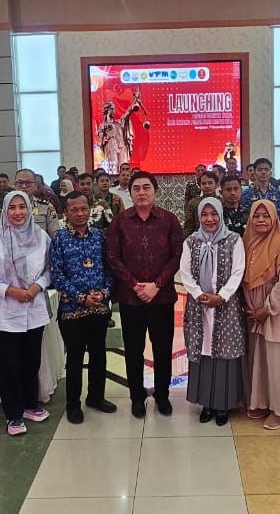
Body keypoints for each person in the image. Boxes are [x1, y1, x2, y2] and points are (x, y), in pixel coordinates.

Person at [107, 171, 184, 418]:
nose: (141, 192)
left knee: (162, 349)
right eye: (136, 188)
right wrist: (136, 285)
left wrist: (156, 285)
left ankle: (162, 395)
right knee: (133, 350)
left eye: (146, 188)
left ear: (155, 191)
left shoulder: (169, 220)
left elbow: (177, 256)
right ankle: (137, 397)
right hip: (131, 300)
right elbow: (113, 257)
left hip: (161, 298)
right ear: (130, 193)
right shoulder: (120, 221)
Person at [0, 191, 54, 436]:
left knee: (31, 362)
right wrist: (10, 291)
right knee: (8, 365)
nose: (18, 212)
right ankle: (13, 415)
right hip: (4, 314)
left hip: (34, 309)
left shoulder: (41, 237)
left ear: (30, 209)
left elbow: (50, 270)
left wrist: (36, 287)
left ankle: (31, 404)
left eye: (23, 207)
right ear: (5, 211)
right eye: (13, 208)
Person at [50, 191, 118, 424]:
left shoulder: (100, 237)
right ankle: (73, 404)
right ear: (66, 212)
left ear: (90, 209)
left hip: (99, 308)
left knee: (99, 354)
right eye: (74, 210)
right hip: (72, 310)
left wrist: (105, 293)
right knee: (76, 358)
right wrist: (80, 297)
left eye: (83, 209)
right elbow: (56, 275)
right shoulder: (59, 238)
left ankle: (96, 397)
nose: (79, 213)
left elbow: (110, 269)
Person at [180, 197, 246, 426]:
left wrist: (222, 296)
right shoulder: (190, 242)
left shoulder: (234, 240)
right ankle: (206, 403)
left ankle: (223, 405)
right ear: (199, 217)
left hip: (225, 307)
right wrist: (199, 294)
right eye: (205, 215)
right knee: (204, 352)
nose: (209, 219)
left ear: (220, 215)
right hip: (199, 307)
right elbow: (185, 273)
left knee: (224, 354)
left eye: (214, 214)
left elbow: (238, 271)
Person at [242, 200, 280, 430]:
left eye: (265, 216)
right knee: (260, 361)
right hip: (254, 313)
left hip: (276, 313)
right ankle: (262, 402)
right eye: (256, 216)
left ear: (275, 219)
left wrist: (266, 310)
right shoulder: (247, 242)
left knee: (279, 362)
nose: (260, 220)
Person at [239, 158, 280, 227]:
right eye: (260, 170)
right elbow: (243, 217)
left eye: (266, 169)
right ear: (254, 173)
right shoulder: (246, 194)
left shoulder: (279, 194)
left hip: (274, 233)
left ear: (270, 173)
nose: (263, 172)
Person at [14, 169, 61, 237]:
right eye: (20, 183)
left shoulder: (47, 207)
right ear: (14, 185)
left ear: (35, 186)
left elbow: (55, 235)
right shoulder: (8, 207)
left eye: (28, 183)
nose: (24, 186)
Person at [183, 171, 220, 236]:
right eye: (204, 183)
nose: (207, 186)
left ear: (216, 184)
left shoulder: (222, 202)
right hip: (199, 240)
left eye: (210, 183)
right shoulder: (194, 203)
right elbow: (189, 227)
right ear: (200, 185)